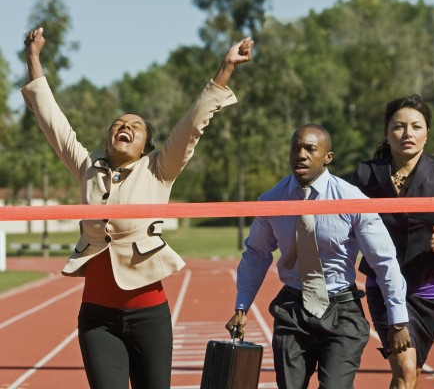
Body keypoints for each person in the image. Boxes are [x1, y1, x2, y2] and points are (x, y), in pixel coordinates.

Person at [23, 27, 254, 389]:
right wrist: (33, 59)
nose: (124, 127)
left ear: (147, 143)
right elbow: (52, 121)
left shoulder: (158, 169)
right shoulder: (87, 167)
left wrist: (226, 68)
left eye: (135, 126)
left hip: (149, 316)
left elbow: (192, 125)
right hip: (97, 319)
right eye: (119, 124)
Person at [226, 124, 411, 389]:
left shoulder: (352, 200)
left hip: (341, 310)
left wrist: (397, 318)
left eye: (310, 149)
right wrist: (242, 306)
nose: (301, 154)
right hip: (292, 310)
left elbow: (384, 261)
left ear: (328, 157)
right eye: (295, 148)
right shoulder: (271, 200)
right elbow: (257, 253)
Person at [351, 94, 434, 389]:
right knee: (405, 370)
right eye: (399, 126)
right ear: (387, 132)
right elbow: (342, 221)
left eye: (416, 127)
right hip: (385, 285)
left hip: (427, 288)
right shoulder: (365, 174)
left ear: (427, 133)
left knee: (410, 373)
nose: (408, 134)